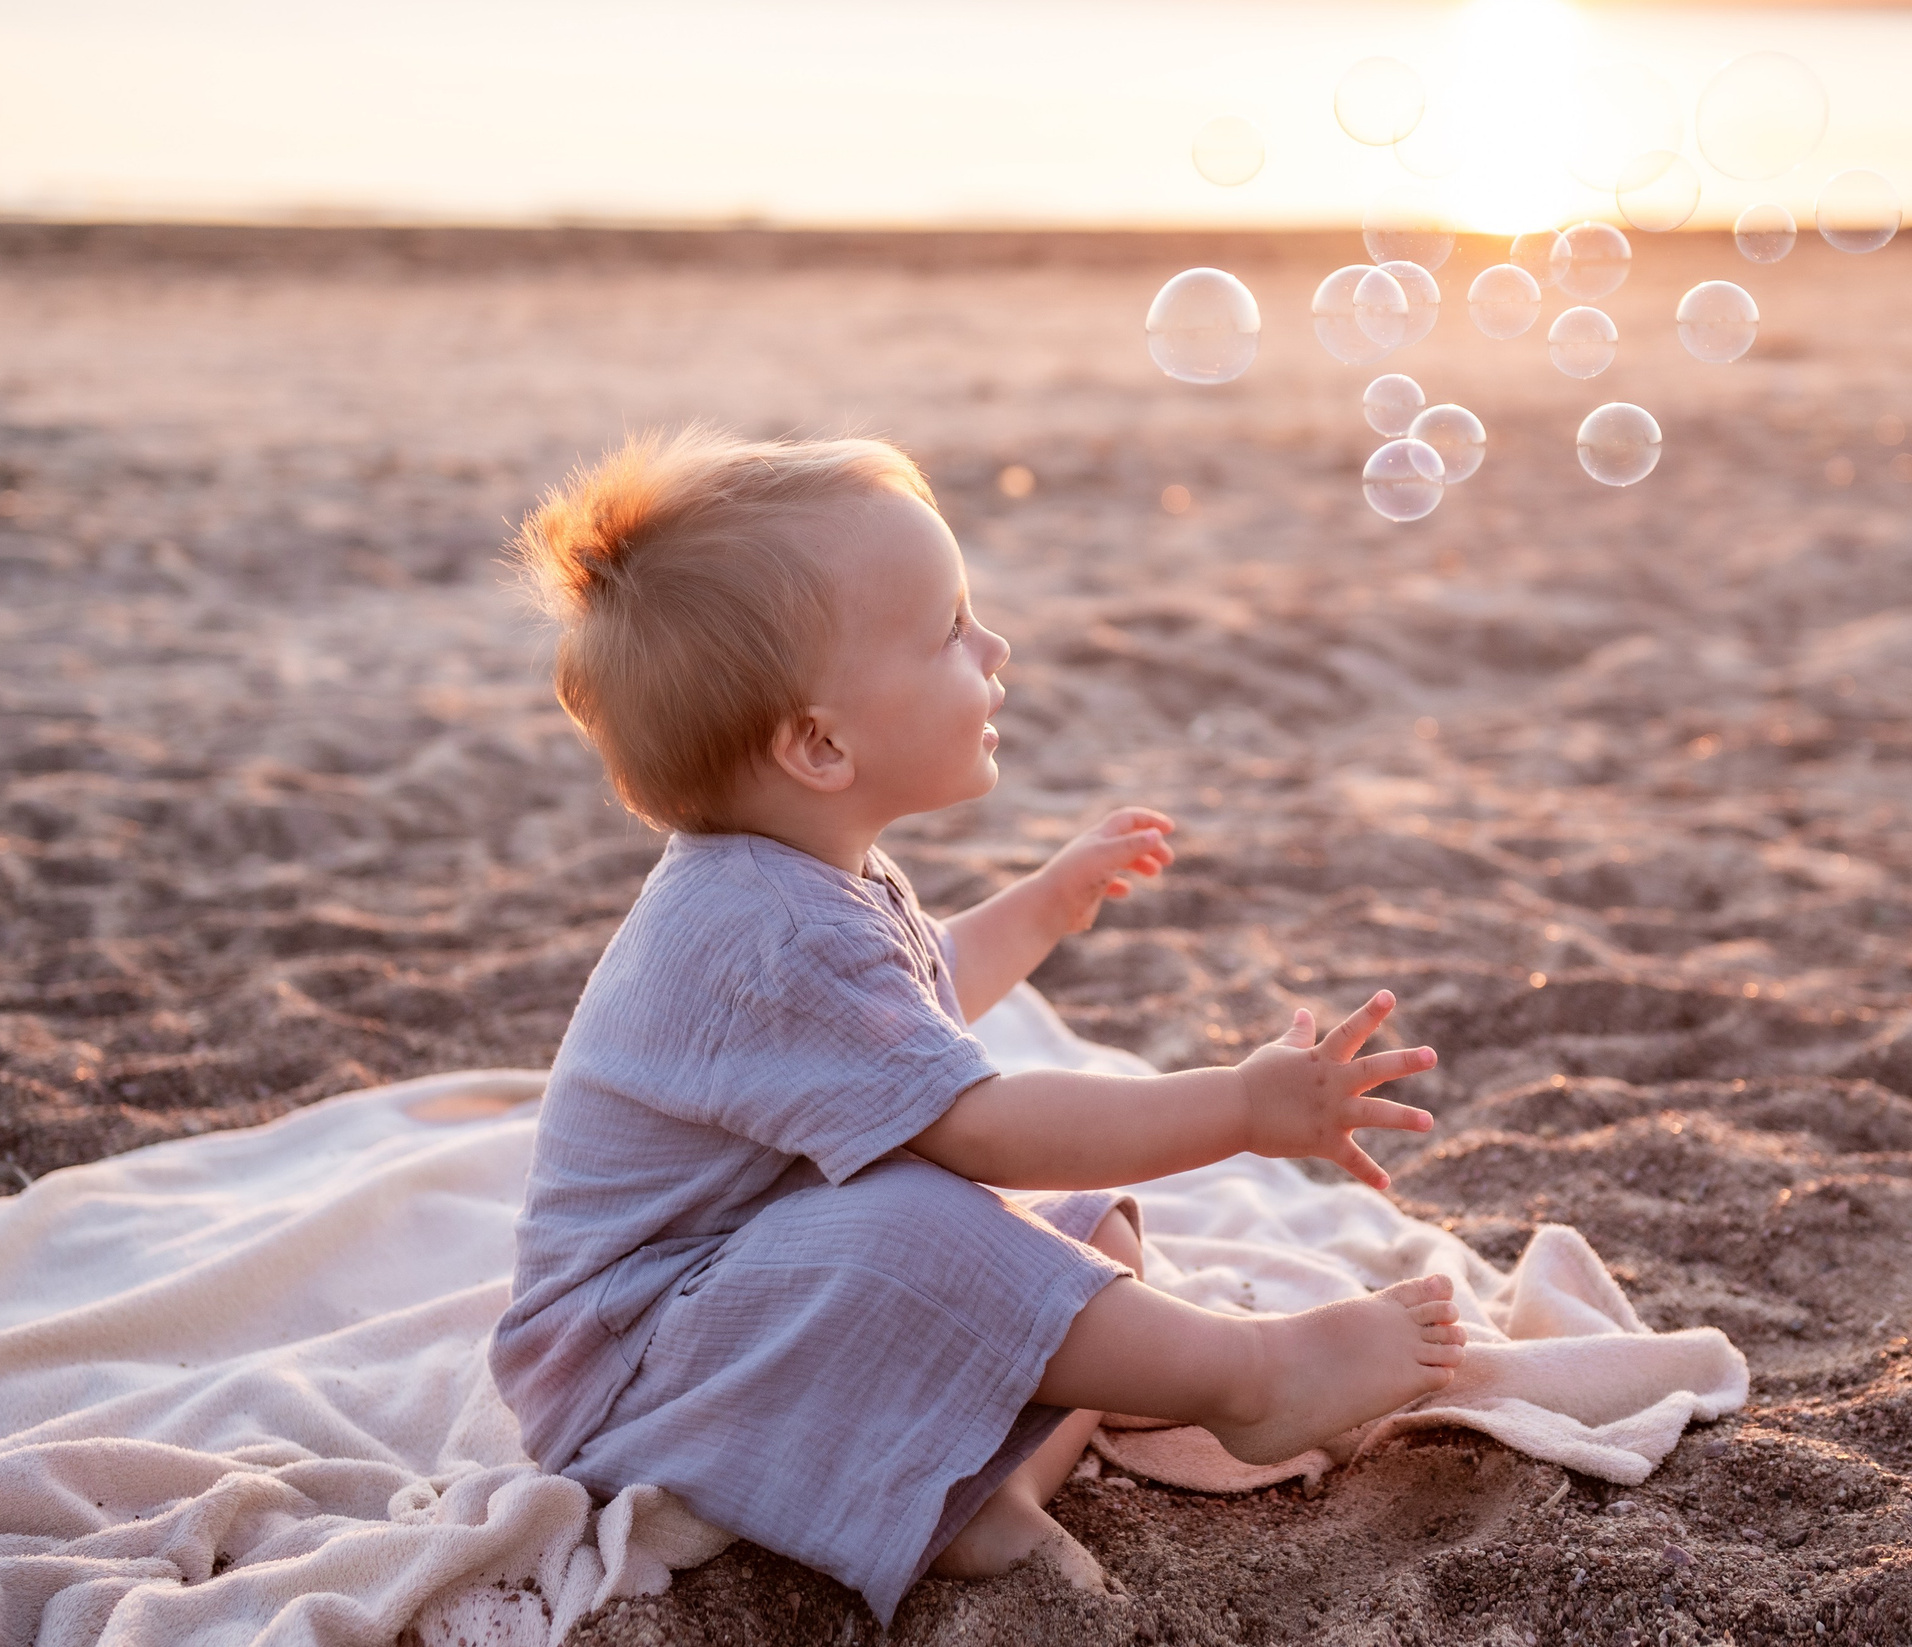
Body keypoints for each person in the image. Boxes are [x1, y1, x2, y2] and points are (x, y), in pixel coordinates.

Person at [492, 427, 1462, 1624]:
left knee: (1081, 1235)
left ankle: (960, 1494)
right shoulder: (764, 926)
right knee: (921, 1214)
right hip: (635, 1367)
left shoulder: (803, 875)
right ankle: (1247, 1379)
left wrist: (1047, 899)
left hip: (742, 1297)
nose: (994, 648)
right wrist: (1241, 1107)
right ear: (820, 743)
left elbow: (921, 991)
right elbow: (977, 1125)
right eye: (951, 629)